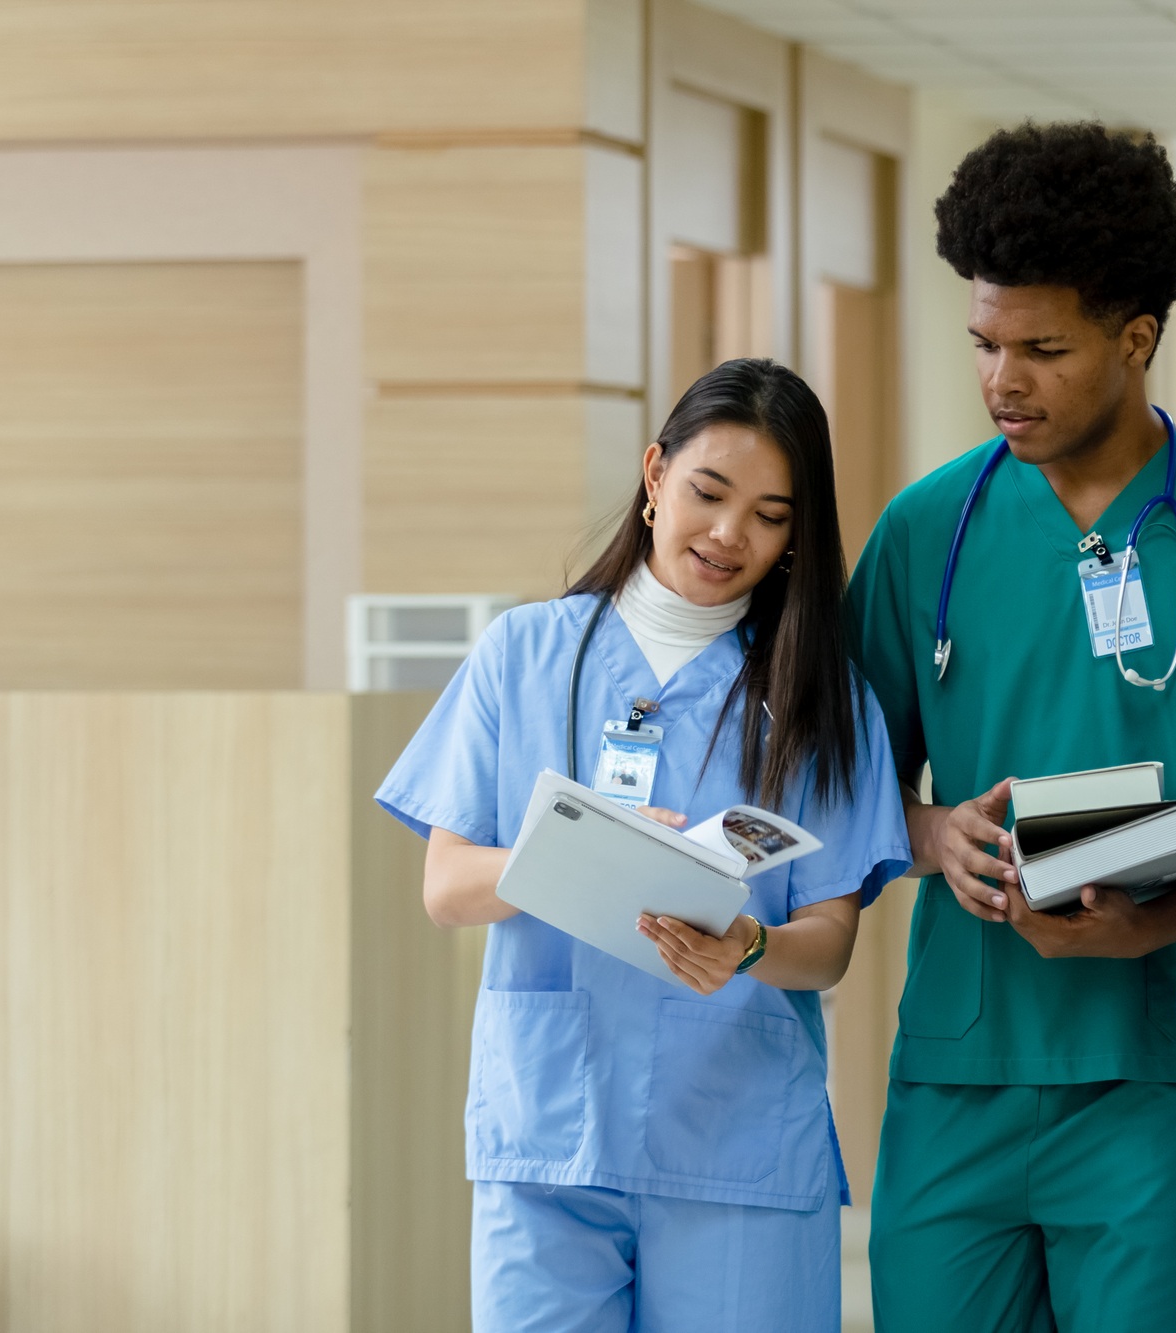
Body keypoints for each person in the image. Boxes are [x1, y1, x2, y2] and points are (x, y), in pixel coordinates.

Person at [846, 122, 1176, 1333]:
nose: (1000, 382)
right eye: (981, 344)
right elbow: (834, 775)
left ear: (1135, 339)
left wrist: (1162, 920)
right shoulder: (927, 530)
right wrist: (928, 833)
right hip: (961, 1059)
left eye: (1042, 348)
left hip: (1158, 1073)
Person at [375, 358, 912, 1333]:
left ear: (796, 535)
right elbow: (448, 884)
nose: (727, 533)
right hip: (549, 1134)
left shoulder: (819, 695)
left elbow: (829, 934)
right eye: (708, 492)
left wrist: (747, 944)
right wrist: (580, 851)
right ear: (654, 474)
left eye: (769, 513)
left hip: (736, 1139)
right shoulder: (524, 654)